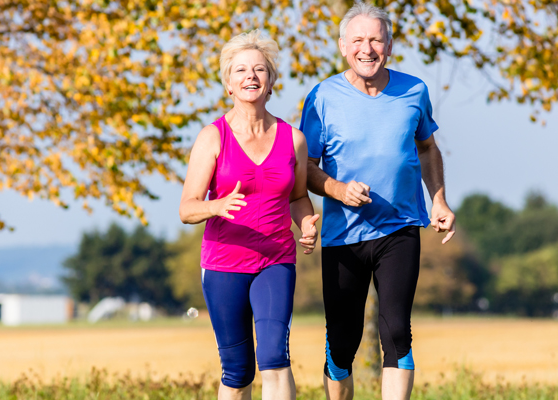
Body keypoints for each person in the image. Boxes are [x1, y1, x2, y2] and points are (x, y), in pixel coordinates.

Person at [299, 2, 456, 400]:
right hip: (343, 235)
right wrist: (336, 189)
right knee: (341, 344)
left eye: (375, 39)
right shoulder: (321, 97)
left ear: (389, 45)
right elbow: (306, 166)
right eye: (358, 40)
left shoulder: (414, 90)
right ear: (342, 46)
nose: (366, 48)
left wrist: (438, 200)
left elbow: (428, 149)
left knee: (397, 332)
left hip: (400, 227)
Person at [179, 30, 319, 400]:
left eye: (259, 70)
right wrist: (216, 206)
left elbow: (298, 196)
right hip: (224, 264)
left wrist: (305, 222)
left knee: (274, 356)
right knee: (238, 371)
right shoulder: (213, 138)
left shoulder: (294, 139)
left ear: (271, 81)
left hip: (276, 260)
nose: (250, 77)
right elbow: (187, 208)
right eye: (241, 70)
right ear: (229, 83)